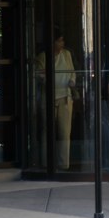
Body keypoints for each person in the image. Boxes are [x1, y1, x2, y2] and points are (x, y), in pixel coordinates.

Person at [35, 28, 76, 170]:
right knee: (47, 131)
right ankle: (46, 163)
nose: (62, 44)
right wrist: (45, 79)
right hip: (48, 97)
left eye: (62, 41)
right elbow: (39, 75)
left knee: (64, 132)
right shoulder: (43, 57)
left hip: (64, 97)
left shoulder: (67, 54)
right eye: (59, 41)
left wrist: (72, 81)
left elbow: (72, 72)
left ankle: (64, 164)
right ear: (52, 42)